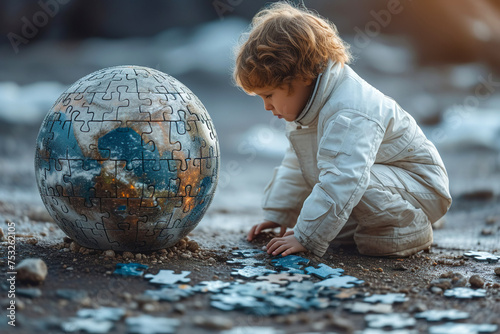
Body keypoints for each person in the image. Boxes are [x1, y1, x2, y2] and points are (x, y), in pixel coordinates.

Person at [233, 2, 452, 258]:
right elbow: (296, 164)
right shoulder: (306, 108)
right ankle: (390, 219)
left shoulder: (350, 110)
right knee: (330, 212)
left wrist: (306, 236)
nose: (266, 106)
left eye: (269, 95)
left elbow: (344, 179)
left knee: (347, 193)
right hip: (386, 182)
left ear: (301, 77)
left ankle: (410, 228)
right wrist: (279, 215)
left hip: (422, 186)